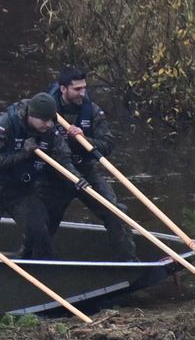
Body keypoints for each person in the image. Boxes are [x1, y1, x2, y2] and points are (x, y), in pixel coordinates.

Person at [0, 92, 74, 259]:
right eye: (44, 120)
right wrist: (22, 154)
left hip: (20, 191)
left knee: (39, 231)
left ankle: (37, 268)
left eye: (51, 120)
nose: (49, 124)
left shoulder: (49, 129)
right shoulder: (3, 125)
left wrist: (77, 179)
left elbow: (63, 157)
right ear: (31, 116)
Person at [40, 67, 137, 260]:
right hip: (57, 174)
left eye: (84, 88)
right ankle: (35, 261)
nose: (82, 93)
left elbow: (108, 144)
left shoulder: (91, 110)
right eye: (77, 89)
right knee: (43, 223)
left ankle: (128, 262)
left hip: (86, 170)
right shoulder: (47, 110)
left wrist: (85, 139)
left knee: (114, 211)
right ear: (63, 89)